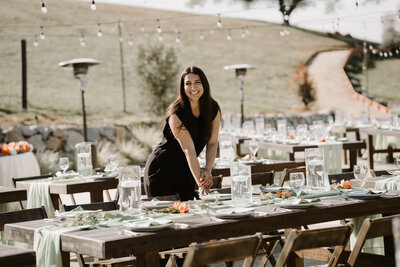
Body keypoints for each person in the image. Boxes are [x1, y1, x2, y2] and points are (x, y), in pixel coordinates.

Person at [144, 66, 221, 201]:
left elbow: (213, 142)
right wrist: (201, 184)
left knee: (191, 218)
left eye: (197, 82)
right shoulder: (176, 113)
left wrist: (208, 169)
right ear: (182, 87)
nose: (193, 87)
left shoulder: (213, 108)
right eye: (188, 83)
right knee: (166, 218)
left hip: (187, 170)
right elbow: (189, 150)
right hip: (162, 171)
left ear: (204, 84)